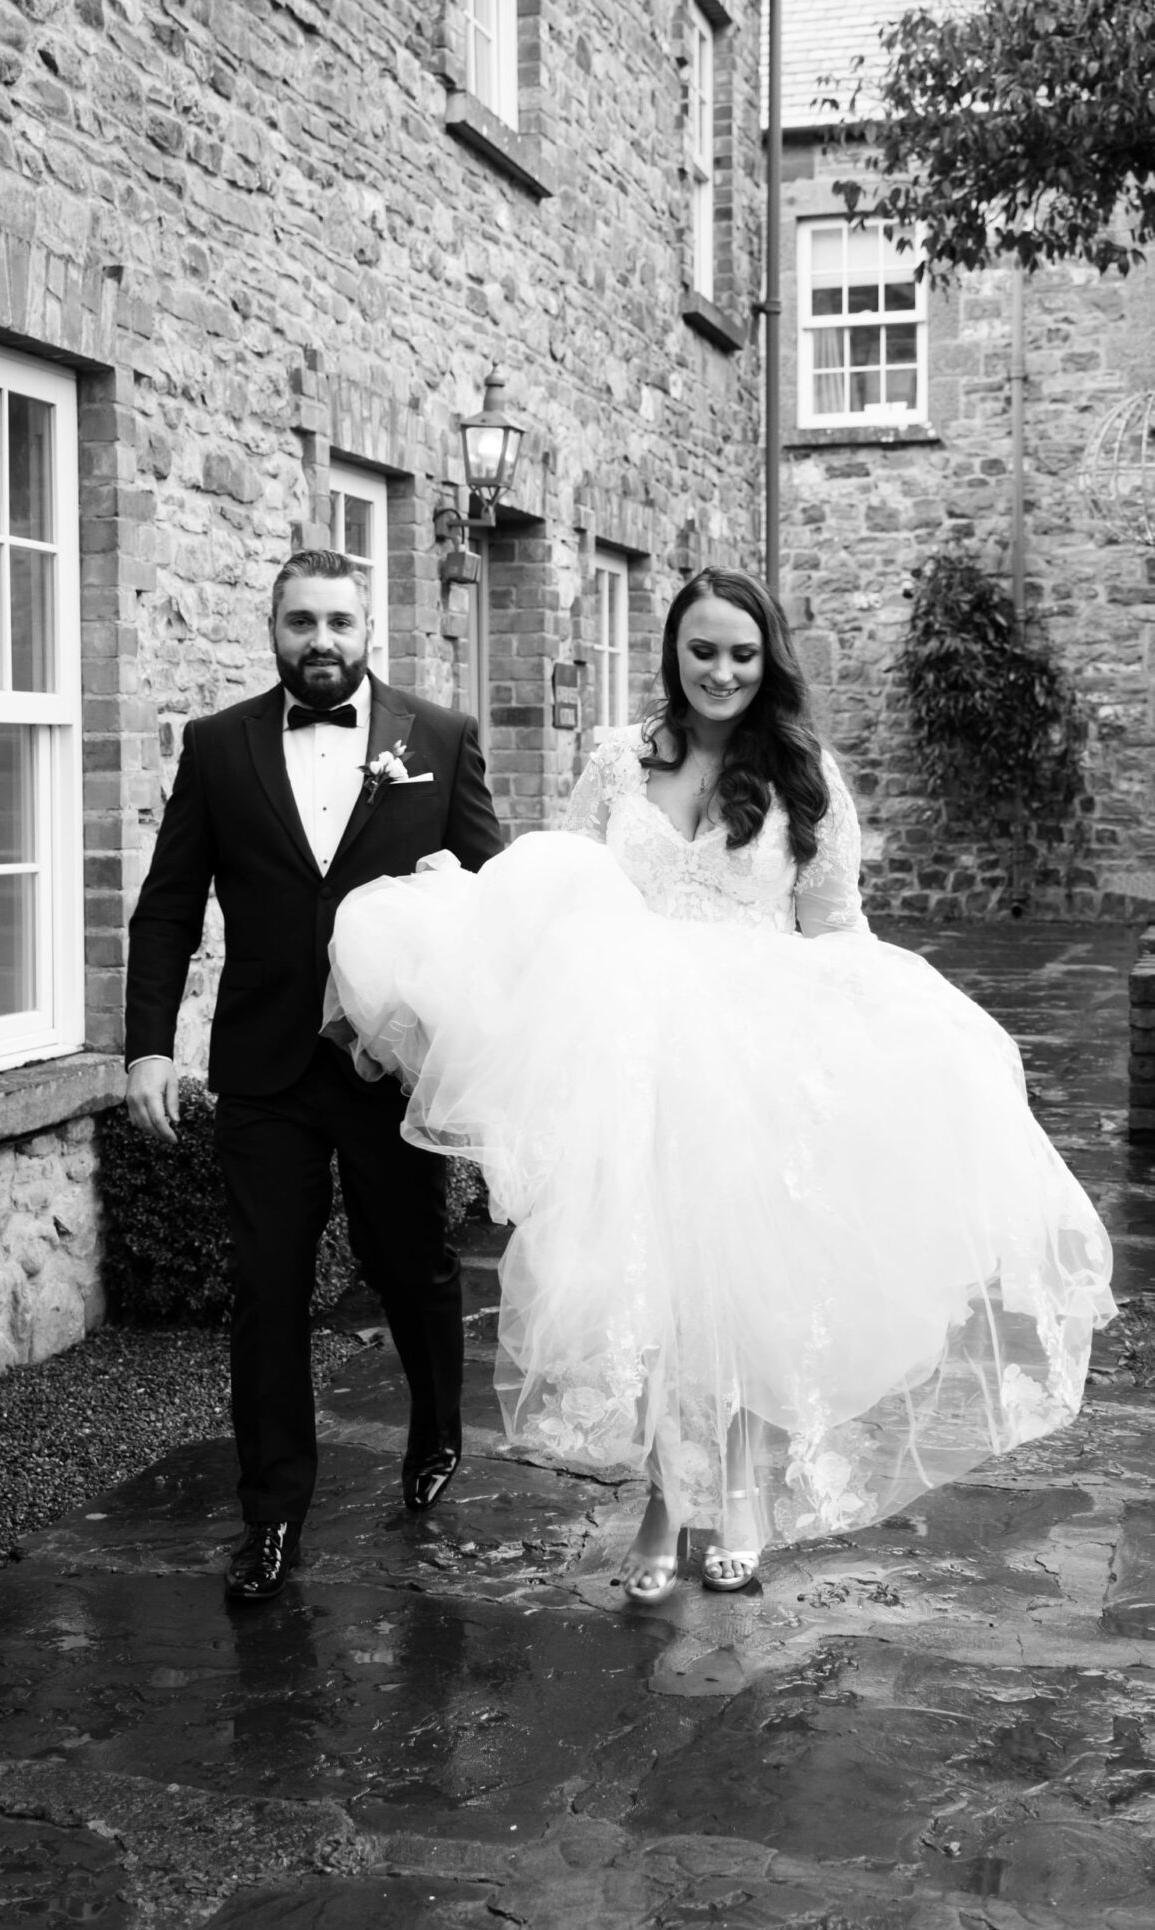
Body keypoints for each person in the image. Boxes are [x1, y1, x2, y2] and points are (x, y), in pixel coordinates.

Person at [324, 566, 1115, 1605]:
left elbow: (836, 928)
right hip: (633, 1060)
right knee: (651, 1287)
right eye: (703, 650)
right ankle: (663, 1503)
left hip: (754, 1061)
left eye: (742, 653)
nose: (722, 671)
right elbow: (561, 886)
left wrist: (886, 1032)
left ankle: (737, 1495)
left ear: (767, 658)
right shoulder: (617, 761)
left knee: (740, 1287)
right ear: (673, 654)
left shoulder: (803, 774)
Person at [124, 547, 502, 1603]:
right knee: (267, 1292)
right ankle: (272, 1518)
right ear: (274, 628)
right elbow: (168, 903)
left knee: (410, 1264)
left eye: (339, 622)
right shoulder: (216, 747)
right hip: (264, 1064)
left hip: (387, 1065)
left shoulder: (438, 738)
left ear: (368, 627)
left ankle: (435, 1432)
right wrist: (148, 1044)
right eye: (301, 623)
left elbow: (490, 898)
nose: (320, 642)